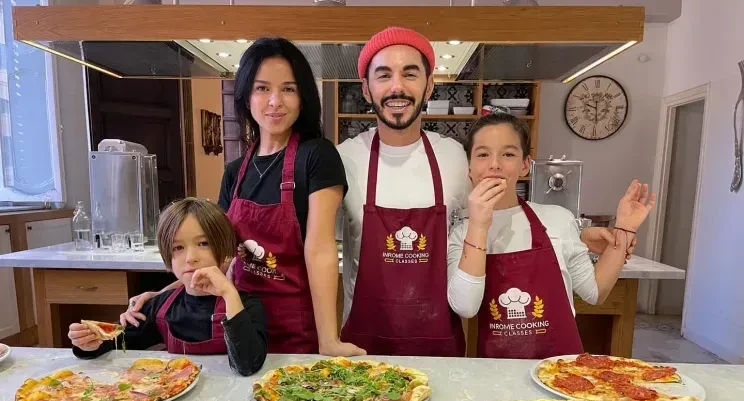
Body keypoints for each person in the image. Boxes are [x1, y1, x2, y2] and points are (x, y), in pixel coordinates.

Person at [337, 26, 629, 357]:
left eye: (410, 73)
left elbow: (496, 214)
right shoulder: (342, 159)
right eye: (384, 75)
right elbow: (322, 243)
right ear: (366, 88)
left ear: (429, 86)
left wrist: (575, 234)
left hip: (438, 342)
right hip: (363, 344)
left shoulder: (453, 156)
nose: (397, 86)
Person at [122, 37, 363, 357]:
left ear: (303, 97)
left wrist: (328, 340)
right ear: (246, 96)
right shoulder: (235, 172)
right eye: (262, 88)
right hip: (240, 323)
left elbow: (319, 250)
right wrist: (161, 296)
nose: (275, 101)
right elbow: (219, 255)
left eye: (288, 89)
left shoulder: (317, 156)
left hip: (296, 328)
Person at [447, 113, 656, 359]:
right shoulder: (462, 234)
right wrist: (479, 226)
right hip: (499, 372)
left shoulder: (558, 219)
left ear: (525, 165)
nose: (495, 164)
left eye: (508, 154)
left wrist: (625, 228)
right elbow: (466, 307)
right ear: (469, 168)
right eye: (483, 154)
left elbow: (595, 292)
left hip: (561, 369)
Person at [69, 198, 267, 376]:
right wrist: (88, 343)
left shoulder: (247, 305)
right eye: (178, 247)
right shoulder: (158, 307)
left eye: (203, 243)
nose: (190, 258)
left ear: (226, 251)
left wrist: (229, 294)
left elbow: (248, 365)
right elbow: (113, 343)